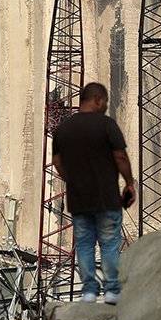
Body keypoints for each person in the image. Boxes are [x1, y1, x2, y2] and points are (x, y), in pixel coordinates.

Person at [52, 82, 135, 304]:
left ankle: (89, 290)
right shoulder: (107, 125)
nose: (105, 106)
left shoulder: (63, 129)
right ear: (97, 100)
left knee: (84, 244)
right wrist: (129, 183)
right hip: (106, 198)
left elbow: (57, 161)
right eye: (105, 101)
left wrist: (71, 179)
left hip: (79, 200)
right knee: (109, 244)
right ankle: (112, 290)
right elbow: (120, 156)